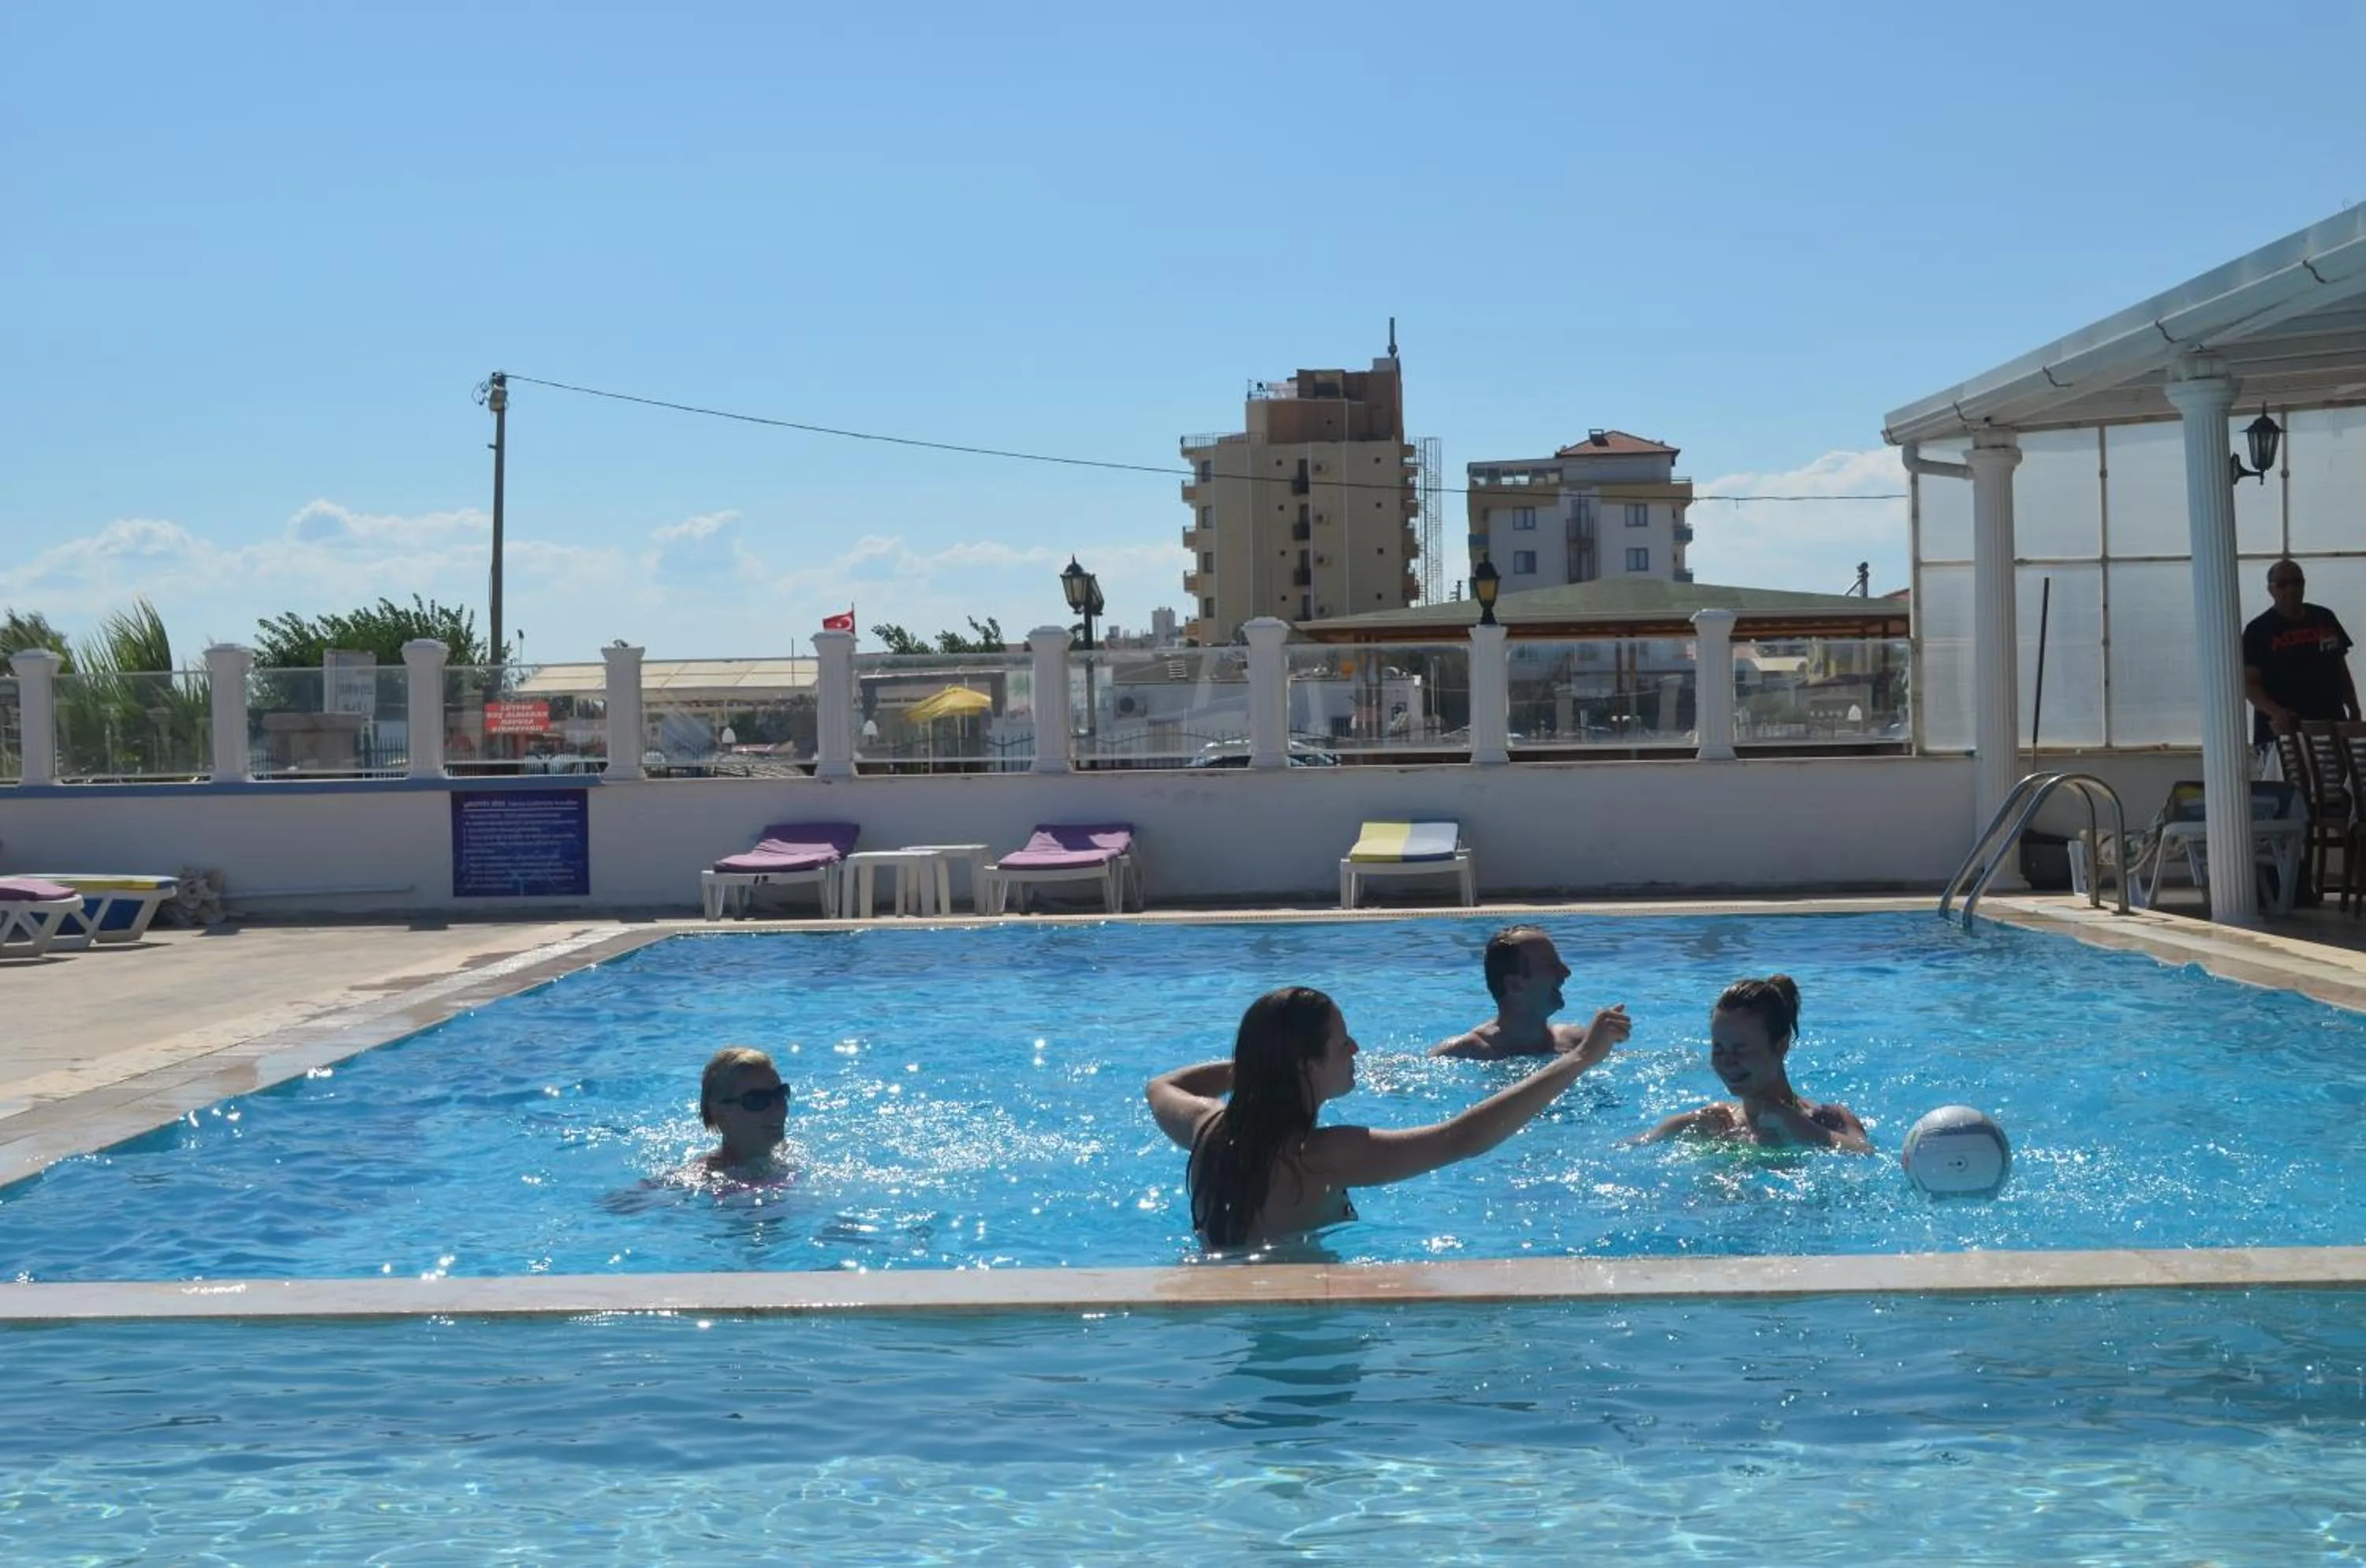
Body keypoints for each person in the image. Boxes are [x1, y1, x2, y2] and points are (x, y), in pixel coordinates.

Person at [1146, 984, 1630, 1249]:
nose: (1355, 1048)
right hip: (1298, 1329)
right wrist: (1580, 1059)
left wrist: (1264, 1068)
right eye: (1342, 1043)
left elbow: (1162, 1086)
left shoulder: (1208, 1128)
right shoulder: (1321, 1156)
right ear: (1307, 1065)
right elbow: (1462, 1139)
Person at [1636, 975, 1871, 1153]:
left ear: (1780, 1045)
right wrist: (1675, 1125)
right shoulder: (1714, 1122)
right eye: (1719, 1049)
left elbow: (1865, 1153)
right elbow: (1628, 1147)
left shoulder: (1826, 1120)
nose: (1727, 1061)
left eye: (1741, 1049)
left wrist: (1793, 1122)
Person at [1431, 924, 1618, 1059]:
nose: (1566, 972)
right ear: (1515, 985)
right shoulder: (1462, 1054)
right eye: (1551, 965)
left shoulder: (1579, 1041)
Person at [2243, 558, 2359, 754]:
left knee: (2339, 774)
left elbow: (2339, 668)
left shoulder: (2324, 618)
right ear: (2270, 590)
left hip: (2330, 727)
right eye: (2282, 584)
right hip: (2283, 734)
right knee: (2290, 776)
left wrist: (2354, 709)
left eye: (2296, 582)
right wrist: (2277, 713)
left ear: (2304, 584)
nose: (2291, 589)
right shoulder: (2258, 630)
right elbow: (2248, 684)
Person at [693, 1046, 793, 1180]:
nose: (778, 1109)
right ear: (720, 1113)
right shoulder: (702, 1180)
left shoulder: (788, 1154)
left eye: (780, 1094)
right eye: (757, 1100)